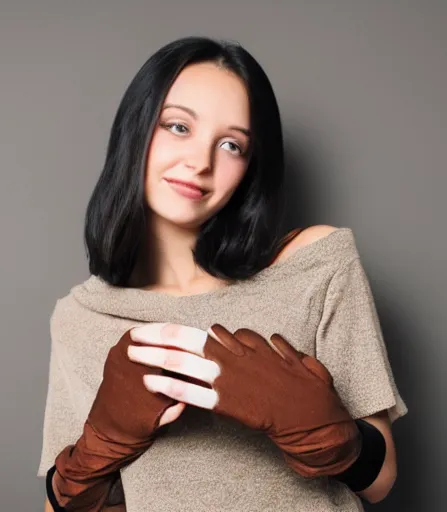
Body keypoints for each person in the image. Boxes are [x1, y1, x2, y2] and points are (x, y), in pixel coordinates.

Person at [38, 36, 407, 512]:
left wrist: (329, 433)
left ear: (251, 166)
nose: (200, 162)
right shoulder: (82, 316)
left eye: (231, 144)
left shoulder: (315, 262)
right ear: (136, 131)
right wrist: (96, 452)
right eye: (177, 126)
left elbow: (381, 481)